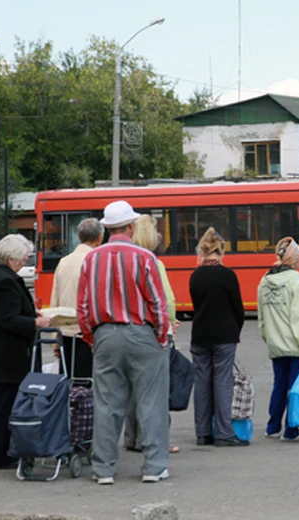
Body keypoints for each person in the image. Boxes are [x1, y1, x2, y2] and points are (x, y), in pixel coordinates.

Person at [77, 200, 170, 485]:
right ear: (130, 227)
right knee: (151, 401)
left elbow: (83, 307)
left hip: (105, 334)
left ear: (106, 229)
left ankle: (103, 468)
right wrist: (161, 335)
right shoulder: (145, 258)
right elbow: (157, 301)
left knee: (107, 403)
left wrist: (93, 336)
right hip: (141, 333)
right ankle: (154, 467)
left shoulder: (91, 259)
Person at [0, 234, 51, 469]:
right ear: (12, 259)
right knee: (6, 406)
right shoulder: (5, 281)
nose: (25, 262)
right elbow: (10, 320)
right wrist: (37, 323)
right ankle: (1, 454)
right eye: (23, 258)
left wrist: (29, 316)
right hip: (5, 355)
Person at [124, 214, 179, 454]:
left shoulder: (126, 258)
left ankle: (131, 438)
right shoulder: (153, 262)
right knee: (154, 391)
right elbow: (166, 300)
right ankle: (157, 440)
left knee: (131, 390)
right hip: (151, 333)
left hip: (127, 331)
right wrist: (170, 323)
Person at [257, 237, 299, 442]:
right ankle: (291, 431)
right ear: (295, 259)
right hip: (296, 345)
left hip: (276, 344)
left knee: (279, 385)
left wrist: (269, 338)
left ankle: (272, 426)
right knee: (295, 389)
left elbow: (262, 318)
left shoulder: (264, 281)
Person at [189, 227, 246, 447]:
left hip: (200, 334)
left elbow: (196, 305)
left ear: (202, 250)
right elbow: (238, 308)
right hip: (224, 335)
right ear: (220, 250)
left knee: (202, 383)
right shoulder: (228, 275)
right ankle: (224, 434)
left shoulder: (195, 276)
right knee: (222, 382)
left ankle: (202, 433)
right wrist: (236, 328)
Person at [49, 218, 103, 308]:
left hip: (65, 318)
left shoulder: (63, 262)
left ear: (78, 236)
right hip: (86, 319)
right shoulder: (98, 261)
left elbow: (55, 298)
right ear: (99, 238)